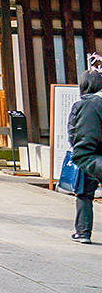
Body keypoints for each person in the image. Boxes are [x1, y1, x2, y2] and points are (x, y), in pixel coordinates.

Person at [69, 70, 102, 244]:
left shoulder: (81, 105)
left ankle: (83, 232)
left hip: (88, 157)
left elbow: (72, 131)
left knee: (84, 195)